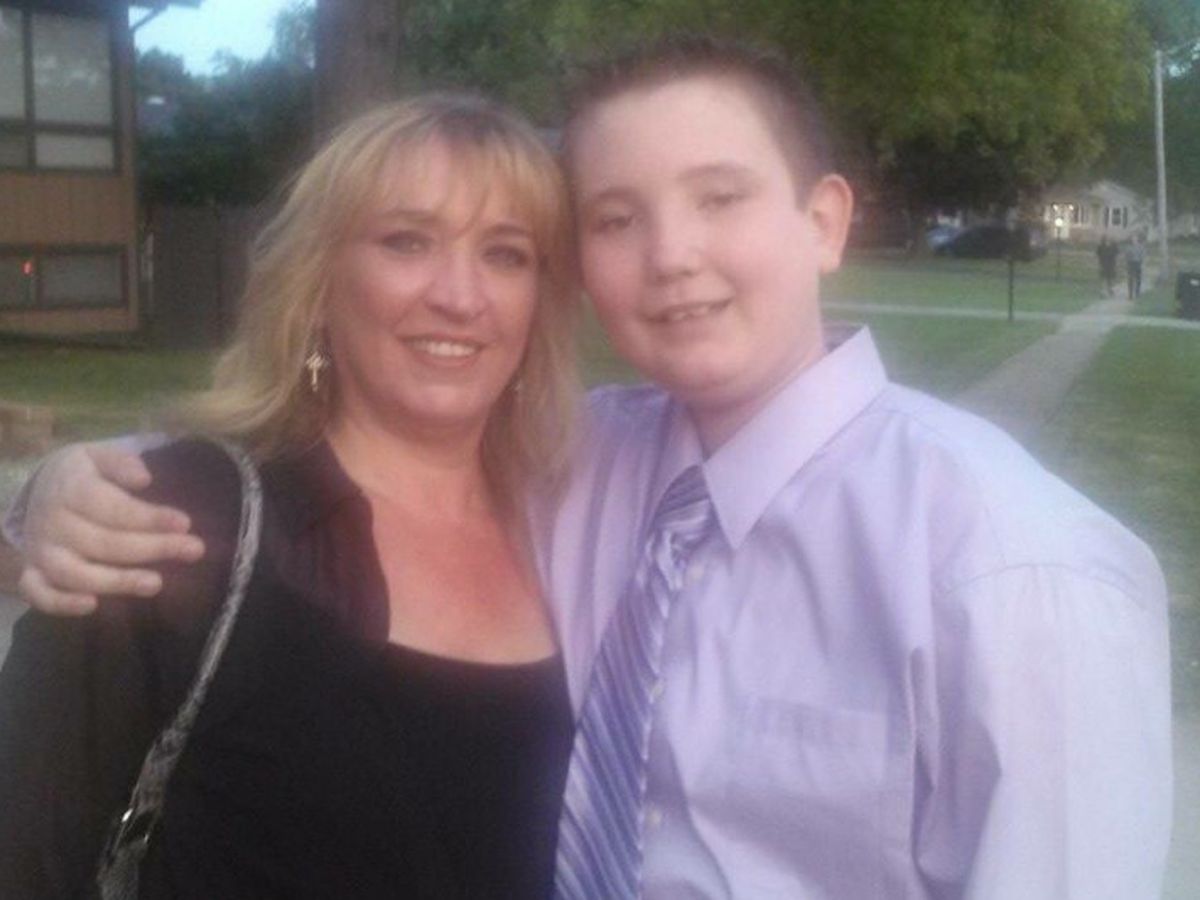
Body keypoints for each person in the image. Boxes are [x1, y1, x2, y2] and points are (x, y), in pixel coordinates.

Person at [9, 37, 1174, 899]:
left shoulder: (1013, 571)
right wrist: (52, 494)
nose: (672, 257)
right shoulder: (583, 468)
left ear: (823, 222)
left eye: (720, 198)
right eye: (616, 219)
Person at [0, 94, 580, 898]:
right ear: (318, 282)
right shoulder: (171, 521)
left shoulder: (573, 523)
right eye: (407, 242)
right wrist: (40, 495)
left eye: (506, 254)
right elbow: (27, 854)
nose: (460, 295)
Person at [1126, 231, 1146, 299]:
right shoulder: (1128, 247)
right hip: (1131, 264)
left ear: (1137, 239)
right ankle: (1130, 294)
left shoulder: (1141, 246)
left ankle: (1137, 293)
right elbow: (1126, 255)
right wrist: (1128, 260)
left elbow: (1143, 254)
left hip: (1138, 263)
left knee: (1138, 279)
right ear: (1131, 240)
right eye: (1132, 238)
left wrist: (1141, 260)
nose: (1134, 240)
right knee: (1130, 279)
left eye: (1135, 238)